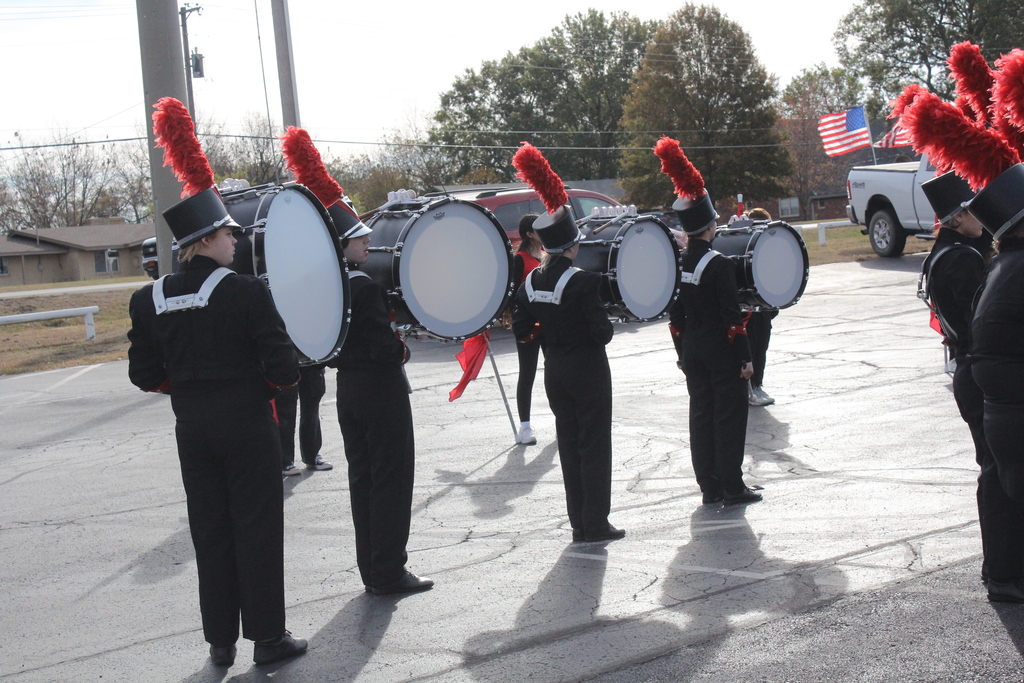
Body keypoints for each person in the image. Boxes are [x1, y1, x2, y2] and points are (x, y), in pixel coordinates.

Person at [127, 187, 308, 666]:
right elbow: (284, 368)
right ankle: (268, 638)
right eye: (229, 233)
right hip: (247, 426)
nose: (236, 240)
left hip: (192, 429)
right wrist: (253, 389)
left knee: (209, 531)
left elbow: (143, 374)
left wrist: (189, 391)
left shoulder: (148, 299)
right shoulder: (246, 290)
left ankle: (220, 642)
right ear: (206, 239)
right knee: (257, 529)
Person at [920, 171, 1024, 604]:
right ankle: (1002, 572)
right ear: (957, 217)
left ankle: (1000, 568)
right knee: (998, 478)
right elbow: (976, 326)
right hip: (982, 373)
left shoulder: (952, 254)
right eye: (970, 211)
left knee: (997, 475)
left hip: (976, 369)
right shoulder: (963, 259)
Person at [328, 205, 434, 595]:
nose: (368, 240)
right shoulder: (365, 287)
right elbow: (385, 350)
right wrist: (400, 346)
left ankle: (371, 569)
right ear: (343, 244)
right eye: (359, 237)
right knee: (391, 478)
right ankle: (389, 570)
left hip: (347, 388)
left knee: (363, 479)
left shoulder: (327, 284)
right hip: (380, 390)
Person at [511, 203, 623, 543]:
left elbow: (522, 330)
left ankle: (578, 523)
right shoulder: (585, 282)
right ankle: (596, 523)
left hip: (554, 369)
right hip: (588, 371)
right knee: (595, 444)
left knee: (570, 444)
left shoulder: (531, 282)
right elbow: (603, 333)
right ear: (573, 246)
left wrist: (548, 332)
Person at [669, 191, 762, 506]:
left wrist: (681, 353)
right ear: (710, 227)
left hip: (692, 349)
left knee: (701, 416)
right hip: (721, 350)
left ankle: (709, 487)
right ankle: (732, 486)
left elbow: (676, 317)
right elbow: (731, 318)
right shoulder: (720, 264)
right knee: (728, 418)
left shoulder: (678, 263)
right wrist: (746, 357)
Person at [965, 162, 1024, 603]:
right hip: (1013, 402)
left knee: (1001, 491)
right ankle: (1005, 578)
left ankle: (1003, 575)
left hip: (999, 400)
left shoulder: (1001, 265)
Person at [511, 214, 544, 445]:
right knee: (527, 374)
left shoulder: (548, 257)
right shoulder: (520, 260)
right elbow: (512, 294)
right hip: (528, 325)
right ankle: (524, 427)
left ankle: (563, 419)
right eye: (539, 229)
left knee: (556, 371)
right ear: (530, 234)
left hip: (550, 323)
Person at [745, 207, 778, 407]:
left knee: (761, 348)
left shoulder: (770, 251)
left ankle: (757, 385)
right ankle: (750, 387)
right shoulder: (747, 249)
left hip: (763, 309)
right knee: (751, 349)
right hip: (750, 310)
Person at [276, 364, 332, 476]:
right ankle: (285, 460)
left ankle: (312, 455)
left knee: (312, 405)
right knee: (285, 409)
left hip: (311, 359)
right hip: (287, 360)